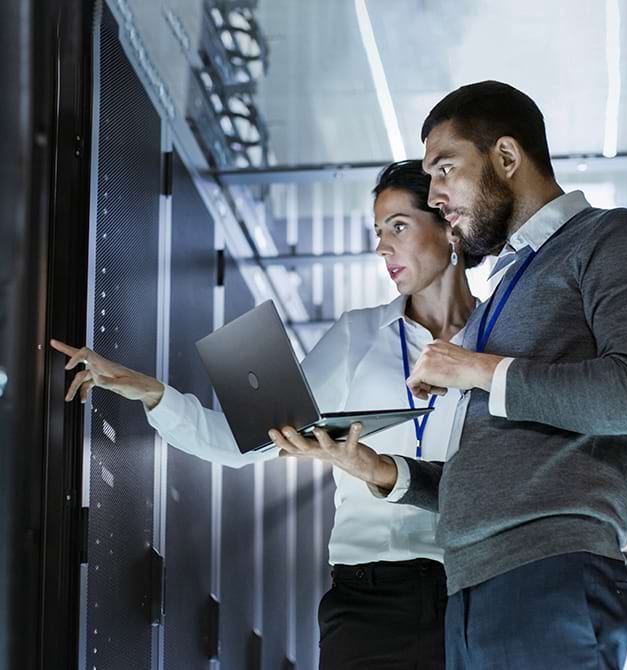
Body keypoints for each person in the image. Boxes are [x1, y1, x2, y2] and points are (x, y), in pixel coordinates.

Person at [271, 81, 627, 670]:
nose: (435, 195)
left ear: (507, 158)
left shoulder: (611, 237)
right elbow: (486, 473)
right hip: (470, 591)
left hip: (549, 575)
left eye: (445, 168)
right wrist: (378, 470)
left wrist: (473, 367)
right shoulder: (506, 291)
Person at [52, 160, 482, 670]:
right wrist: (152, 393)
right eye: (377, 232)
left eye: (398, 226)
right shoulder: (357, 335)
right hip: (368, 599)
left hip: (472, 592)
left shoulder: (498, 341)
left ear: (448, 226)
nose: (382, 247)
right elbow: (245, 443)